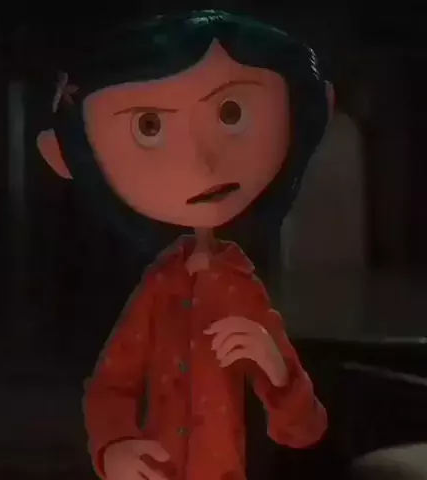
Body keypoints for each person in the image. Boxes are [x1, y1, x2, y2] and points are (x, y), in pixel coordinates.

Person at [37, 10, 333, 480]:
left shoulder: (240, 291)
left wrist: (277, 370)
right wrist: (114, 445)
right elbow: (112, 384)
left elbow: (303, 429)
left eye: (230, 112)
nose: (202, 163)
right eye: (149, 125)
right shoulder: (160, 286)